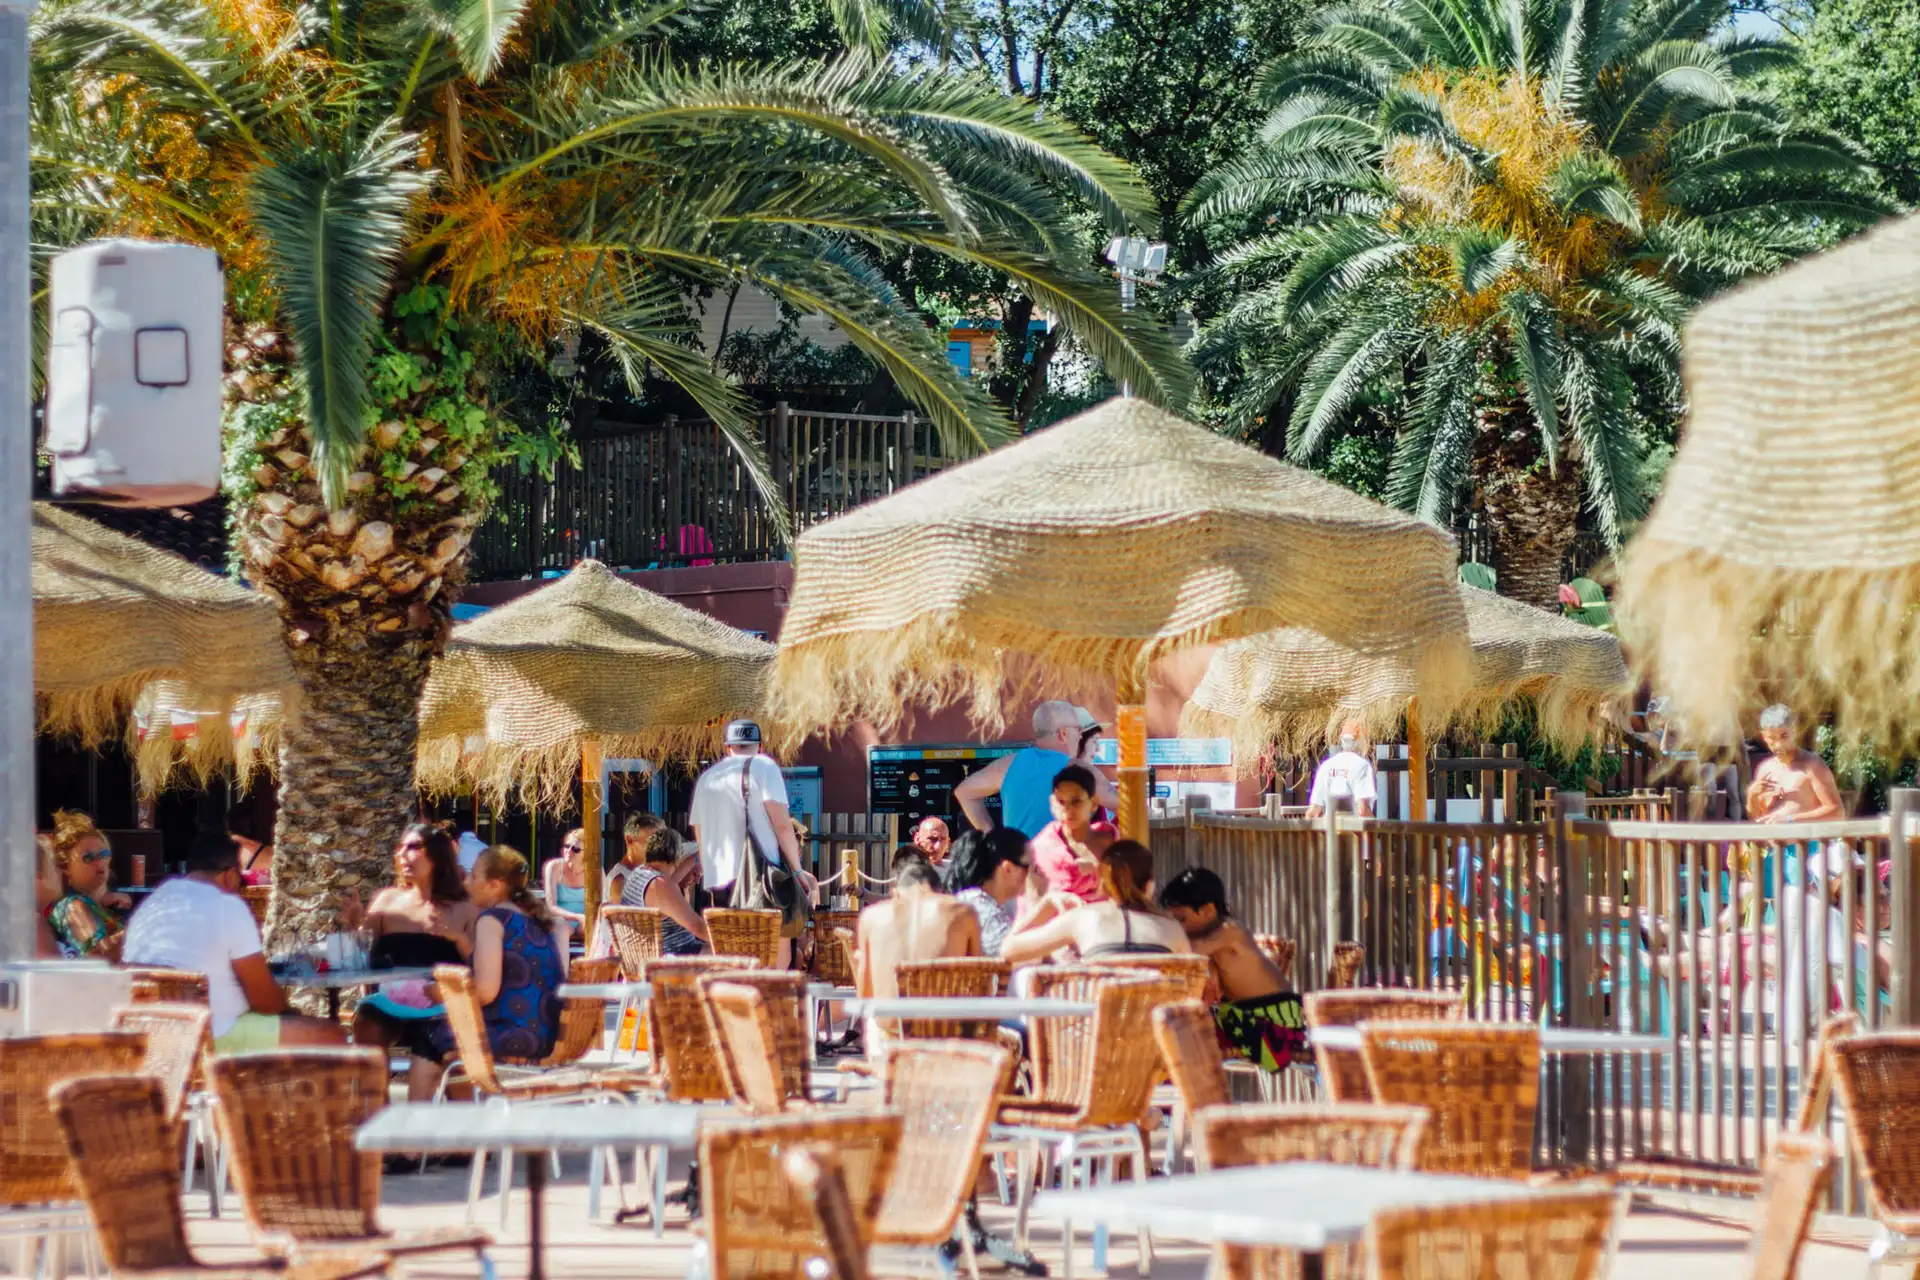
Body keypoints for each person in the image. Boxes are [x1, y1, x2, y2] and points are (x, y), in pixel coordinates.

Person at [123, 830, 345, 1053]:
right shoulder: (226, 906)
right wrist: (290, 1011)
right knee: (334, 1035)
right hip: (214, 1032)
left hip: (156, 1033)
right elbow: (266, 1002)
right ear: (230, 875)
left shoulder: (152, 903)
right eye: (242, 882)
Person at [405, 846, 566, 1103]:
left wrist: (440, 993)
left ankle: (411, 1132)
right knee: (451, 1042)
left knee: (430, 1035)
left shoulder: (492, 919)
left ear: (494, 885)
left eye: (473, 877)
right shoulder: (531, 918)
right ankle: (463, 1135)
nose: (467, 883)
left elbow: (485, 991)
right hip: (548, 1030)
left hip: (519, 1032)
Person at [343, 823, 480, 1050]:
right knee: (367, 1025)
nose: (402, 855)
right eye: (401, 848)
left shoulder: (464, 907)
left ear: (437, 856)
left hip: (442, 1003)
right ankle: (372, 1085)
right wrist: (354, 925)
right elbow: (361, 957)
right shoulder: (387, 901)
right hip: (389, 1003)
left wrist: (457, 938)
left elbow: (479, 965)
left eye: (413, 847)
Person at [1158, 867, 1307, 1072]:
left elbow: (1186, 951)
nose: (1179, 927)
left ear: (1209, 910)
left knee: (1184, 1037)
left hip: (1275, 1023)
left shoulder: (1231, 931)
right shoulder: (1210, 940)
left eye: (1182, 919)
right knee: (1179, 1029)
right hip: (1247, 1016)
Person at [689, 719, 812, 966]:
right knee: (776, 947)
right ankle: (772, 999)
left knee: (733, 955)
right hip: (761, 878)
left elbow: (699, 831)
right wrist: (797, 870)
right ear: (760, 745)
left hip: (720, 881)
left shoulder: (707, 778)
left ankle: (738, 1002)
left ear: (727, 748)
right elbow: (781, 825)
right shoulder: (764, 767)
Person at [1001, 841, 1189, 964]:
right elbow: (1196, 984)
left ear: (1103, 885)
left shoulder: (1084, 919)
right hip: (1153, 1023)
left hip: (1098, 1023)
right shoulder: (1172, 928)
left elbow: (1008, 950)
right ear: (1149, 886)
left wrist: (1047, 903)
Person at [955, 701, 1117, 837]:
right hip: (1062, 868)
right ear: (1063, 734)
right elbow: (1125, 807)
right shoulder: (1079, 770)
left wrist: (992, 836)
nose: (1080, 736)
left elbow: (964, 792)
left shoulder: (1008, 764)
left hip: (1018, 868)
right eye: (1078, 730)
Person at [853, 855, 981, 1001]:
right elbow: (978, 980)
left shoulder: (871, 916)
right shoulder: (962, 912)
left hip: (891, 1021)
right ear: (940, 891)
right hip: (944, 1019)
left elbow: (864, 997)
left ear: (895, 893)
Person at [43, 809, 131, 960]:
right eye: (89, 857)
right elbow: (98, 954)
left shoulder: (110, 905)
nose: (100, 862)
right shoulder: (71, 906)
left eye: (104, 854)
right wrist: (142, 927)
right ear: (66, 867)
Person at [1028, 764, 1116, 901]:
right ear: (1052, 803)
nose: (1067, 809)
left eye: (1076, 801)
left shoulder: (1113, 844)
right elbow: (1034, 902)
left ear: (1093, 803)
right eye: (1061, 801)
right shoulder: (1042, 848)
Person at [1748, 705, 1844, 825]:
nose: (1778, 744)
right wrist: (1752, 796)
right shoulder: (1765, 769)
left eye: (1784, 736)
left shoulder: (1812, 765)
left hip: (1805, 843)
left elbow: (1837, 812)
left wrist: (1789, 820)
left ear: (1794, 731)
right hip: (1772, 842)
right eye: (1772, 738)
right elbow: (1758, 819)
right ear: (1763, 736)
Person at [620, 826, 710, 955]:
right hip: (673, 959)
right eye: (696, 874)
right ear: (678, 858)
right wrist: (729, 942)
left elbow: (674, 878)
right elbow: (698, 927)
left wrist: (696, 858)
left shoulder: (640, 874)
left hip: (650, 955)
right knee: (730, 956)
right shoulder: (660, 885)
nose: (697, 880)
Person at [944, 828, 1030, 957]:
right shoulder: (975, 904)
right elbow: (1009, 955)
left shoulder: (984, 902)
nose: (1036, 873)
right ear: (1007, 869)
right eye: (1029, 866)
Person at [1304, 718, 1376, 819]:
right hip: (1353, 831)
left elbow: (1313, 811)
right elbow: (1363, 810)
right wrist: (1374, 833)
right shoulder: (1362, 766)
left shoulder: (1326, 766)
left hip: (1328, 831)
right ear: (1362, 741)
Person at [542, 828, 591, 946]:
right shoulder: (554, 867)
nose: (568, 851)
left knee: (599, 929)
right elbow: (550, 906)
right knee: (560, 929)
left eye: (576, 849)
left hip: (586, 921)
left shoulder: (595, 871)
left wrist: (588, 919)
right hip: (561, 919)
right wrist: (576, 917)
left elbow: (602, 902)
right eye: (567, 846)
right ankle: (561, 965)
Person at [34, 835, 62, 958]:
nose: (60, 873)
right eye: (55, 866)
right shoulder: (33, 925)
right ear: (38, 876)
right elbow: (55, 975)